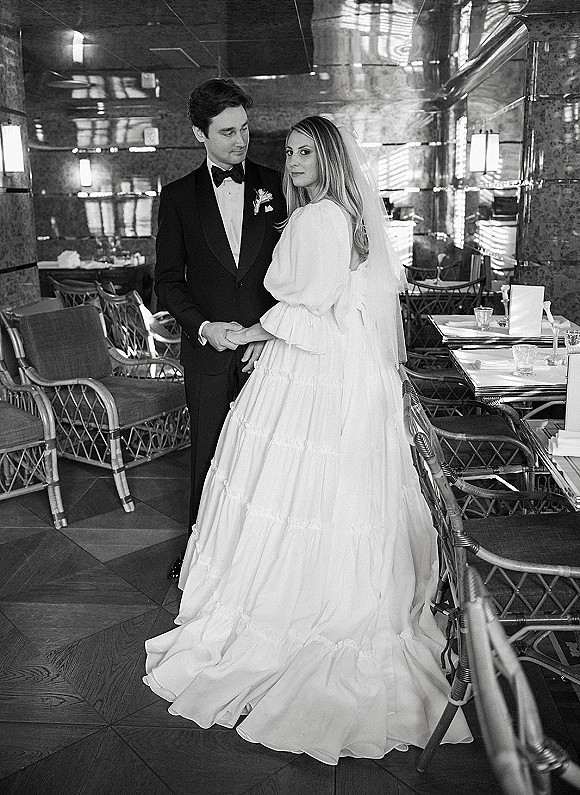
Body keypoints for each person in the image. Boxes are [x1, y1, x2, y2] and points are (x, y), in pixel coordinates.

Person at [144, 116, 472, 763]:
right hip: (337, 366)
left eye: (303, 151)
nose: (291, 160)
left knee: (299, 494)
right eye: (288, 150)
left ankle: (290, 613)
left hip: (316, 369)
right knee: (319, 496)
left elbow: (313, 306)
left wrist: (250, 335)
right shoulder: (330, 212)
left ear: (326, 157)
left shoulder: (320, 217)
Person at [154, 78, 284, 579]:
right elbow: (167, 282)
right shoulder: (179, 197)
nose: (240, 141)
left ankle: (263, 562)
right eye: (227, 131)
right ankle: (203, 559)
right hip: (207, 351)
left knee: (269, 456)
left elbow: (292, 276)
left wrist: (266, 332)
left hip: (267, 351)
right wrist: (204, 326)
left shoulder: (277, 186)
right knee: (207, 455)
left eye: (245, 129)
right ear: (198, 133)